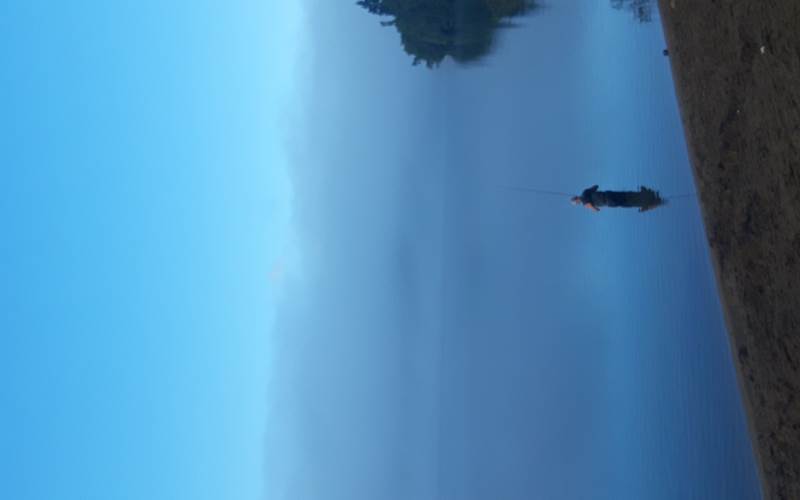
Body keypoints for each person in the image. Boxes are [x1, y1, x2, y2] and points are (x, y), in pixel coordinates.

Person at [571, 185, 664, 212]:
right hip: (608, 194)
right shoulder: (585, 192)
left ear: (576, 200)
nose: (578, 203)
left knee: (627, 202)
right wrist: (591, 191)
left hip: (608, 201)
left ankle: (648, 202)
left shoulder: (585, 203)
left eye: (576, 203)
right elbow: (596, 186)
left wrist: (594, 209)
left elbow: (595, 209)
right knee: (626, 195)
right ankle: (646, 195)